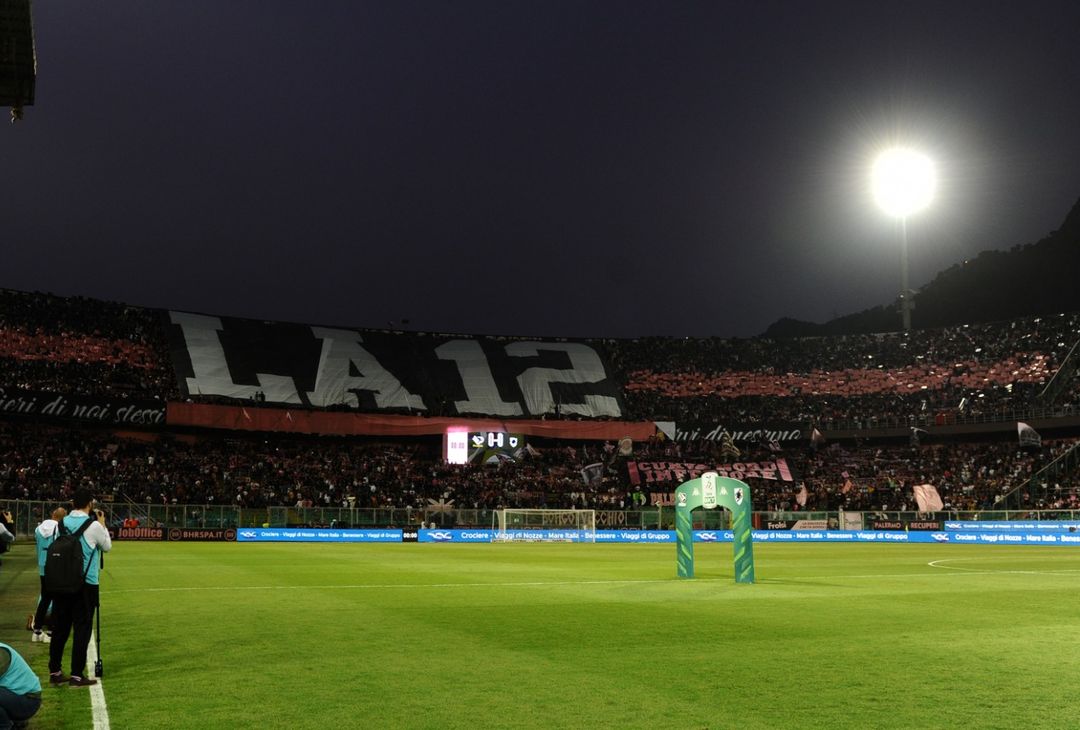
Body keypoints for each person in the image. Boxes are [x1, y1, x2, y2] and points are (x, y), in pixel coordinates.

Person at [47, 490, 112, 688]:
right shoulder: (93, 525)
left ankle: (55, 671)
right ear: (90, 504)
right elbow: (107, 546)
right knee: (82, 628)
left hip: (61, 582)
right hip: (85, 584)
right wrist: (102, 524)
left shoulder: (61, 523)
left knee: (61, 628)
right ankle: (76, 675)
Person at [29, 508, 68, 643]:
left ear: (52, 515)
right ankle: (51, 632)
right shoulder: (59, 530)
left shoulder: (38, 529)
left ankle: (37, 631)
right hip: (55, 568)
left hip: (42, 567)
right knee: (57, 600)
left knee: (45, 599)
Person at [0, 641, 41, 730]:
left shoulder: (1, 652)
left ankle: (5, 726)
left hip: (28, 700)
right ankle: (16, 722)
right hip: (15, 697)